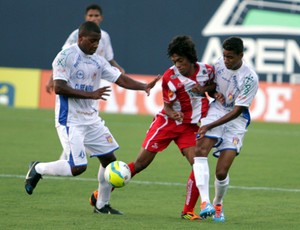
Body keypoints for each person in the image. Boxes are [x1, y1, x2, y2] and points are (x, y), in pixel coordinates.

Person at [24, 21, 160, 215]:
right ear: (81, 38)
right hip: (70, 120)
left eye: (98, 41)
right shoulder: (65, 57)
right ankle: (38, 168)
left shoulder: (97, 61)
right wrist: (91, 95)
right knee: (77, 167)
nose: (96, 45)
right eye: (93, 41)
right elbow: (59, 87)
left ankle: (102, 205)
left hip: (92, 120)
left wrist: (143, 86)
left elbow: (119, 78)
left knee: (109, 161)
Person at [89, 35, 216, 220]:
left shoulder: (207, 70)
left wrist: (209, 90)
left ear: (190, 57)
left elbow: (213, 86)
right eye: (174, 61)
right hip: (166, 124)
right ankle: (100, 195)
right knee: (140, 164)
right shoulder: (170, 77)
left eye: (180, 60)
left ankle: (188, 211)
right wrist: (173, 114)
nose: (177, 65)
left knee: (198, 163)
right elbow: (167, 106)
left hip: (189, 127)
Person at [192, 36, 259, 222]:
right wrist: (209, 91)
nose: (226, 60)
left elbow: (238, 110)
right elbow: (214, 86)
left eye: (230, 57)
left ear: (241, 55)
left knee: (221, 172)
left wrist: (209, 125)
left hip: (236, 120)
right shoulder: (220, 64)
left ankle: (218, 203)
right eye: (224, 56)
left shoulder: (249, 78)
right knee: (200, 149)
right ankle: (205, 203)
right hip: (217, 109)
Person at [46, 3, 124, 94]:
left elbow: (109, 58)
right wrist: (52, 77)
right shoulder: (77, 34)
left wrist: (119, 68)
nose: (93, 18)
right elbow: (62, 57)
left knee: (90, 102)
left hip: (93, 76)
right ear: (86, 17)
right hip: (76, 75)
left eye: (96, 15)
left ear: (101, 18)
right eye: (90, 15)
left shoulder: (105, 36)